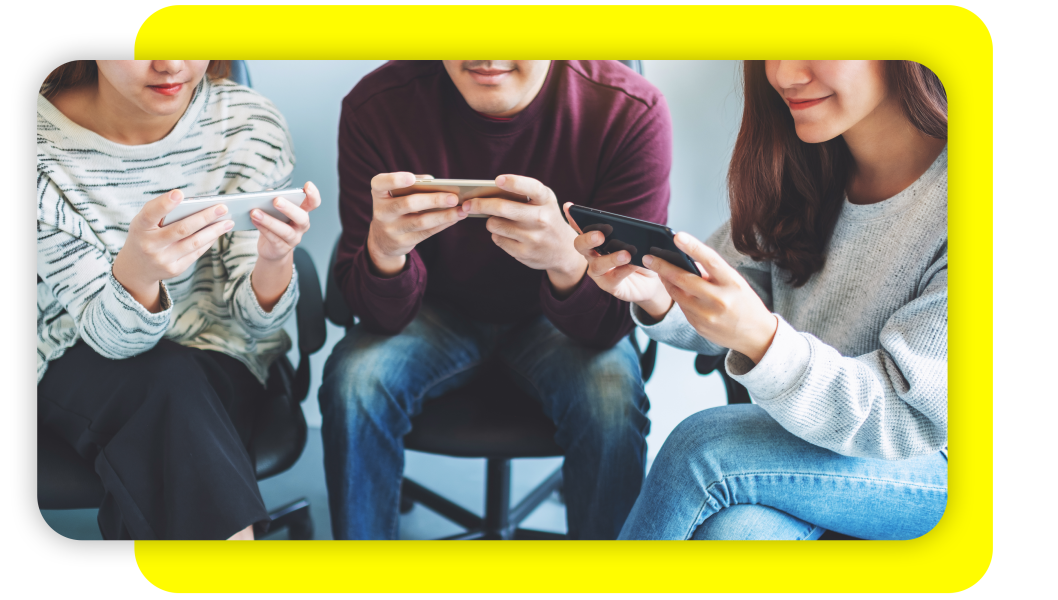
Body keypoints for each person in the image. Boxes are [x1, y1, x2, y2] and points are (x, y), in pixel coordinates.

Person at [569, 60, 948, 540]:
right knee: (737, 532)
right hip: (805, 445)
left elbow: (904, 417)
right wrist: (660, 295)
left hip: (934, 466)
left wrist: (763, 340)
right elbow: (736, 296)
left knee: (704, 446)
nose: (785, 74)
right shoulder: (808, 168)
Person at [320, 60, 672, 539]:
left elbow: (611, 324)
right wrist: (385, 251)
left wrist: (565, 262)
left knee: (610, 391)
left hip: (561, 324)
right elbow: (375, 315)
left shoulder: (629, 112)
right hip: (432, 310)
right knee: (355, 380)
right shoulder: (376, 106)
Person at [37, 60, 321, 540]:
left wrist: (274, 259)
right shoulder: (47, 151)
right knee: (166, 387)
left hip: (218, 349)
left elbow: (256, 325)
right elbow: (113, 343)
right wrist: (139, 273)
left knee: (171, 410)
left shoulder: (250, 124)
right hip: (78, 352)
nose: (170, 63)